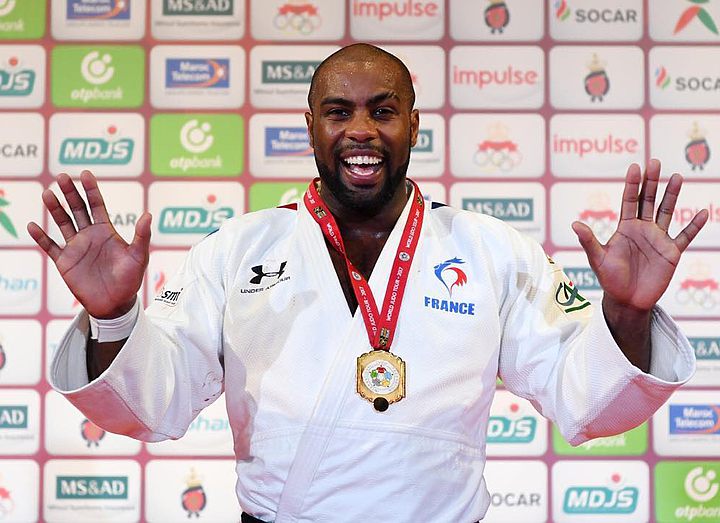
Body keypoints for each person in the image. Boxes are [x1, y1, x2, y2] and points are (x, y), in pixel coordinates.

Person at [30, 44, 707, 522]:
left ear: (413, 125)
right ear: (311, 128)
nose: (361, 131)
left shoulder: (493, 250)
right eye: (339, 112)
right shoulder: (238, 249)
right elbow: (156, 401)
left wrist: (626, 312)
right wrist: (115, 316)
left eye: (383, 112)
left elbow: (585, 400)